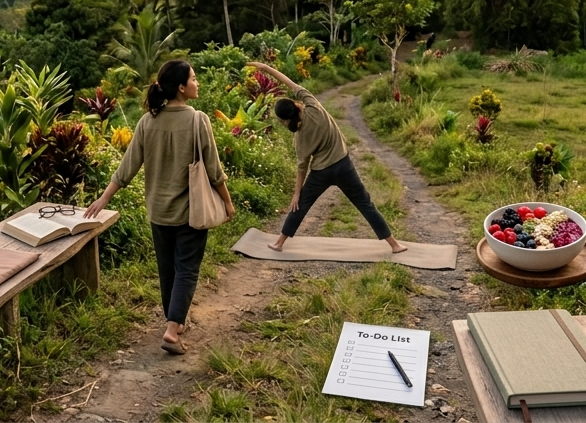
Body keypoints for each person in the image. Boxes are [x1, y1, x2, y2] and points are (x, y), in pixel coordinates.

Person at [84, 59, 235, 355]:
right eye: (193, 78)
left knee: (168, 270)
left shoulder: (147, 121)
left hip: (158, 211)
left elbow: (127, 168)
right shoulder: (197, 120)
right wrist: (227, 202)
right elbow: (215, 171)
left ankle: (174, 321)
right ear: (181, 87)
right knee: (187, 269)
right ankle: (172, 329)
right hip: (191, 211)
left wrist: (104, 198)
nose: (197, 83)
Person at [248, 61, 408, 254]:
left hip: (321, 173)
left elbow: (302, 167)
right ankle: (394, 245)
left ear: (285, 121)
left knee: (301, 205)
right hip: (343, 165)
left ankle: (279, 243)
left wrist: (297, 193)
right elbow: (290, 83)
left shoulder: (299, 140)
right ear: (296, 105)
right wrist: (266, 68)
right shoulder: (314, 107)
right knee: (365, 204)